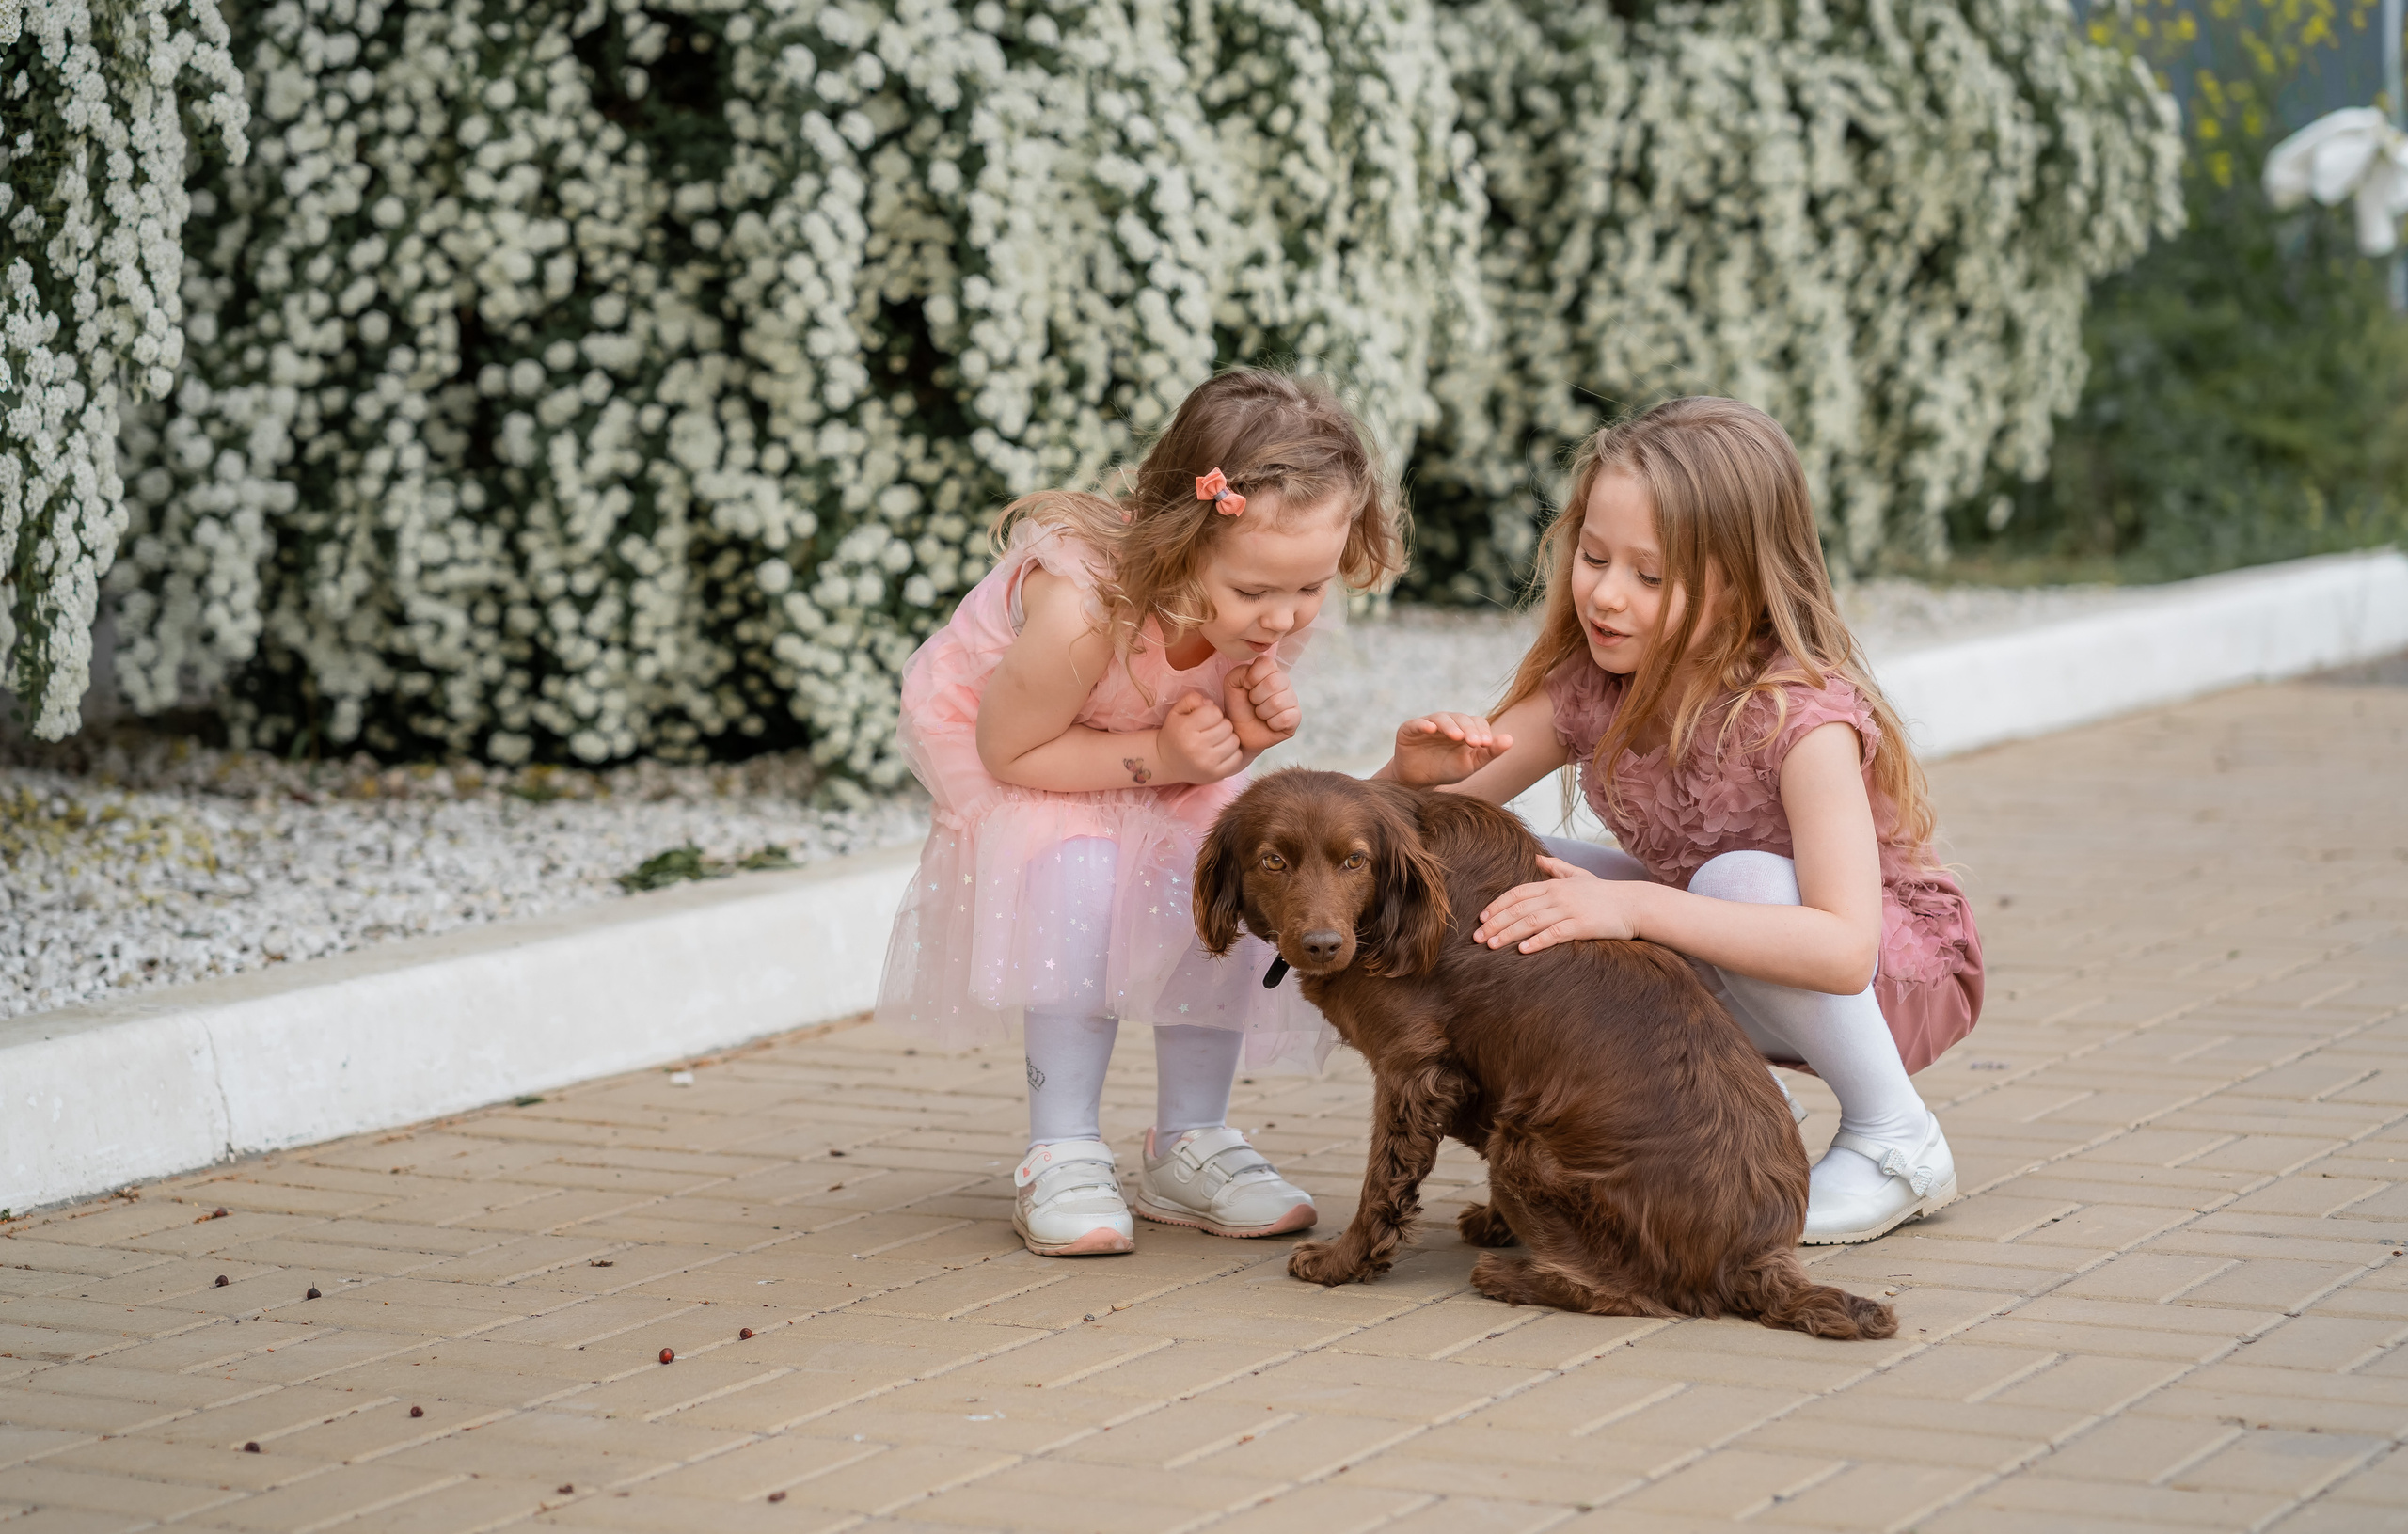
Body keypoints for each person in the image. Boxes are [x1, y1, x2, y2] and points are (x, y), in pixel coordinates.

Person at [1381, 396, 1983, 1244]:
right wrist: (1409, 779)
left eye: (1650, 576)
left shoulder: (1800, 716)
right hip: (1725, 940)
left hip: (1887, 979)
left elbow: (1845, 950)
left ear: (1738, 585)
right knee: (1488, 862)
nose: (1608, 596)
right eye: (1594, 556)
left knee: (1737, 879)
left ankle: (1896, 1138)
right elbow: (1391, 832)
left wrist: (1629, 909)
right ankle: (1728, 1120)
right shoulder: (1590, 683)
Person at [876, 368, 1407, 1257]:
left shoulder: (1259, 588)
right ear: (1181, 539)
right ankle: (1063, 1146)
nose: (1284, 617)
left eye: (1310, 590)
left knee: (1235, 871)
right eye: (1257, 595)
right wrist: (1166, 756)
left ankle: (1188, 1142)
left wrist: (1242, 733)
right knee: (1079, 880)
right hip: (1023, 759)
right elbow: (1007, 752)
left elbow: (1194, 732)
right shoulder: (1081, 611)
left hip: (1133, 749)